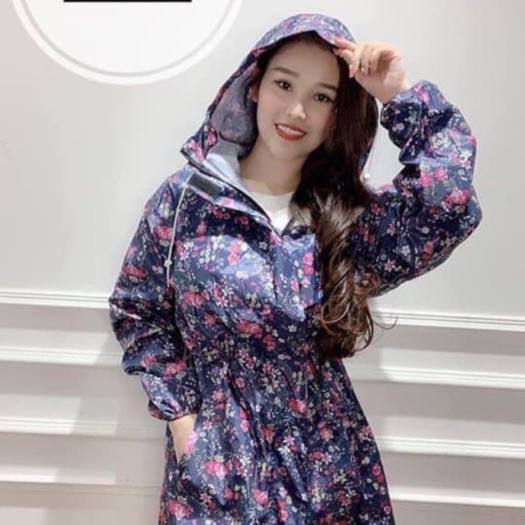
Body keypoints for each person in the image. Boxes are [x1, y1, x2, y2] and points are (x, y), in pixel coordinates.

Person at [107, 12, 482, 525]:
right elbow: (137, 309)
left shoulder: (348, 220)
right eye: (284, 85)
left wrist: (398, 94)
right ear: (254, 86)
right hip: (216, 467)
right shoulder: (186, 201)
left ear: (337, 114)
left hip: (327, 471)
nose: (297, 110)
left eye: (322, 97)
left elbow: (448, 206)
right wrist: (183, 419)